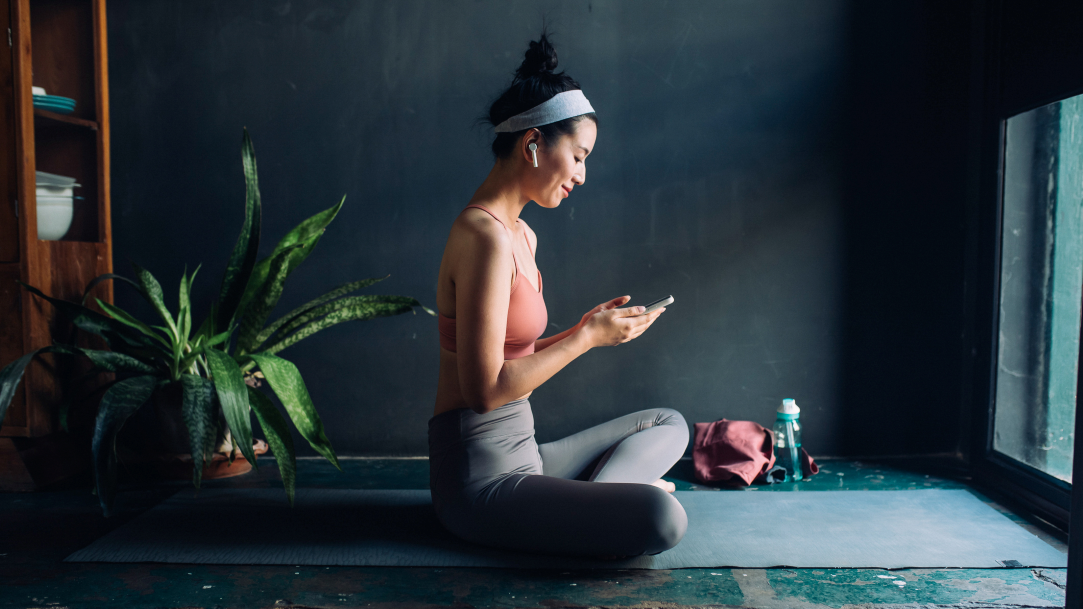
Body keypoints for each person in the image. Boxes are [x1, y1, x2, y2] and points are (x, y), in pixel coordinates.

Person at [429, 32, 689, 558]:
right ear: (533, 144)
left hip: (526, 454)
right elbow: (483, 392)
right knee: (663, 518)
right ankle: (609, 501)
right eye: (578, 155)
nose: (582, 174)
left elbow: (513, 353)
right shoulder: (484, 237)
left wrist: (579, 330)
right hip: (481, 482)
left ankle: (596, 502)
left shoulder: (522, 234)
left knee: (669, 424)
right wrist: (586, 340)